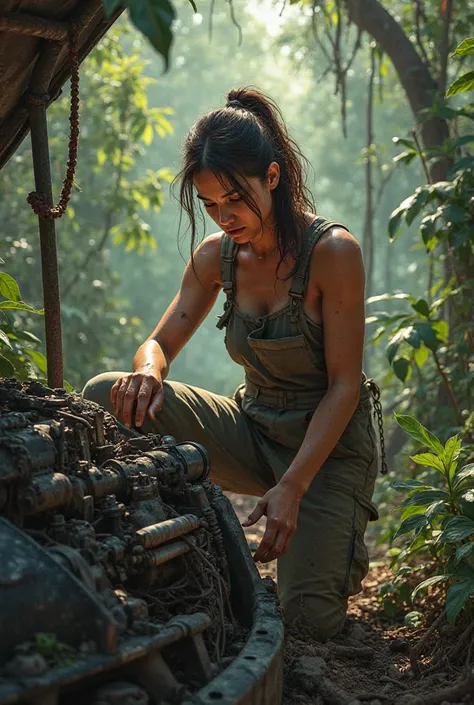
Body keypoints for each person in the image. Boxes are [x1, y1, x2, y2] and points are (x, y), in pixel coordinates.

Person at [83, 86, 382, 641]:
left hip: (330, 449)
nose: (225, 216)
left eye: (235, 200)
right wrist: (149, 371)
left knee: (309, 624)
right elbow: (158, 343)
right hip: (254, 428)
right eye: (210, 205)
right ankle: (151, 537)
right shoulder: (216, 256)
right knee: (107, 393)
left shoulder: (333, 253)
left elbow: (344, 386)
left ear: (273, 177)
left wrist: (292, 487)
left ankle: (327, 541)